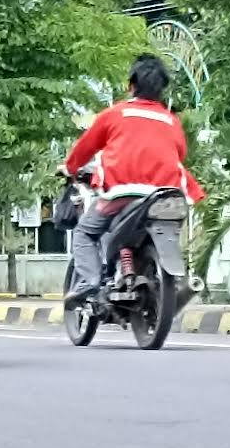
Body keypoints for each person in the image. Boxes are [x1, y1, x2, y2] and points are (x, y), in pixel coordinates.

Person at [60, 54, 206, 307]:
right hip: (165, 196)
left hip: (122, 193)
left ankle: (90, 282)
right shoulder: (171, 121)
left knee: (84, 232)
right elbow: (181, 153)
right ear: (161, 90)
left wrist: (70, 167)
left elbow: (85, 149)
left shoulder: (115, 114)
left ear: (131, 85)